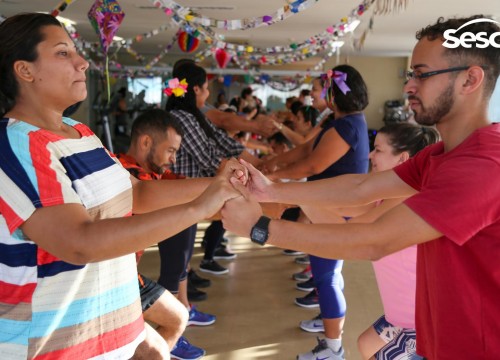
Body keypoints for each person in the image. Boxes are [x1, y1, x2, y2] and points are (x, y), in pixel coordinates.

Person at [221, 15, 500, 359]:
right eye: (411, 74)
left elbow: (375, 239)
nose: (409, 86)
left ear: (470, 79)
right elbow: (360, 189)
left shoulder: (484, 166)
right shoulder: (440, 155)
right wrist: (271, 191)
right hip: (439, 336)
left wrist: (259, 228)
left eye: (422, 74)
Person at [0, 13, 244, 360]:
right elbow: (79, 242)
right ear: (24, 70)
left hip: (110, 327)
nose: (82, 63)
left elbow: (138, 193)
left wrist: (220, 184)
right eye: (63, 53)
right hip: (54, 344)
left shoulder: (80, 132)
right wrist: (198, 209)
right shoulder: (15, 146)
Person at [267, 65, 371, 360]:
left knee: (326, 276)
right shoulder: (337, 121)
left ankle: (333, 347)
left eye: (321, 89)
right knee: (329, 274)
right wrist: (271, 166)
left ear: (335, 93)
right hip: (326, 207)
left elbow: (313, 165)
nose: (316, 94)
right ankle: (329, 323)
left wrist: (274, 179)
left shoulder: (347, 125)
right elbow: (304, 151)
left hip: (333, 211)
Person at [117, 108, 207, 360]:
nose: (174, 159)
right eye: (171, 151)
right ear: (146, 142)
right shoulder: (123, 171)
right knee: (156, 353)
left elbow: (180, 186)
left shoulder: (155, 174)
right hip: (106, 281)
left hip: (128, 277)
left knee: (179, 317)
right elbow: (146, 192)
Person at [165, 61, 261, 276]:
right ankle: (181, 289)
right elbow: (208, 158)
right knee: (179, 248)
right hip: (180, 193)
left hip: (188, 193)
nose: (208, 93)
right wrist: (239, 170)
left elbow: (219, 141)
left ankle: (185, 281)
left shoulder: (192, 115)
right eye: (206, 88)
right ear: (196, 89)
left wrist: (253, 162)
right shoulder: (183, 117)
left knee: (185, 244)